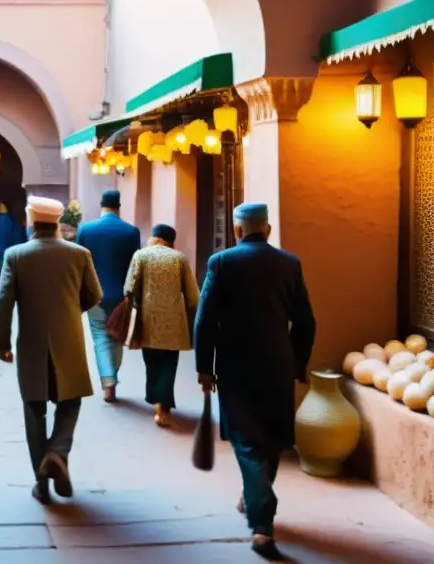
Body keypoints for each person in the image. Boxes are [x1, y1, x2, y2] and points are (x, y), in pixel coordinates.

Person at [194, 203, 316, 560]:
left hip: (235, 366)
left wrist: (205, 367)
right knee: (273, 438)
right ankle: (254, 496)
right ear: (269, 229)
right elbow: (306, 321)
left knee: (246, 442)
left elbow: (205, 321)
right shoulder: (289, 263)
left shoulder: (221, 263)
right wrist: (298, 362)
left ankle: (262, 525)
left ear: (236, 230)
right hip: (277, 365)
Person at [0, 196, 102, 504]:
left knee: (35, 408)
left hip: (31, 343)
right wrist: (70, 309)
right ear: (57, 222)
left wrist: (2, 343)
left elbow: (4, 303)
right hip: (68, 339)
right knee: (70, 401)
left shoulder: (15, 255)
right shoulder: (79, 254)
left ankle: (41, 483)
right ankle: (58, 452)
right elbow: (95, 295)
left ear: (31, 220)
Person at [123, 224, 200, 428]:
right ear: (170, 240)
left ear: (154, 237)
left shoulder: (141, 255)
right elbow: (193, 296)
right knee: (169, 363)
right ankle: (163, 406)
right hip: (174, 321)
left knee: (152, 362)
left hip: (148, 319)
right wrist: (195, 316)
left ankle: (156, 400)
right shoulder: (179, 258)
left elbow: (129, 287)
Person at [76, 189, 141, 402]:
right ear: (119, 206)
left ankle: (108, 381)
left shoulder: (86, 229)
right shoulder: (131, 232)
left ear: (101, 205)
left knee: (100, 338)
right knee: (117, 336)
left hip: (95, 297)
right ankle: (112, 376)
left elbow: (79, 264)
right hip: (122, 297)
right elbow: (135, 265)